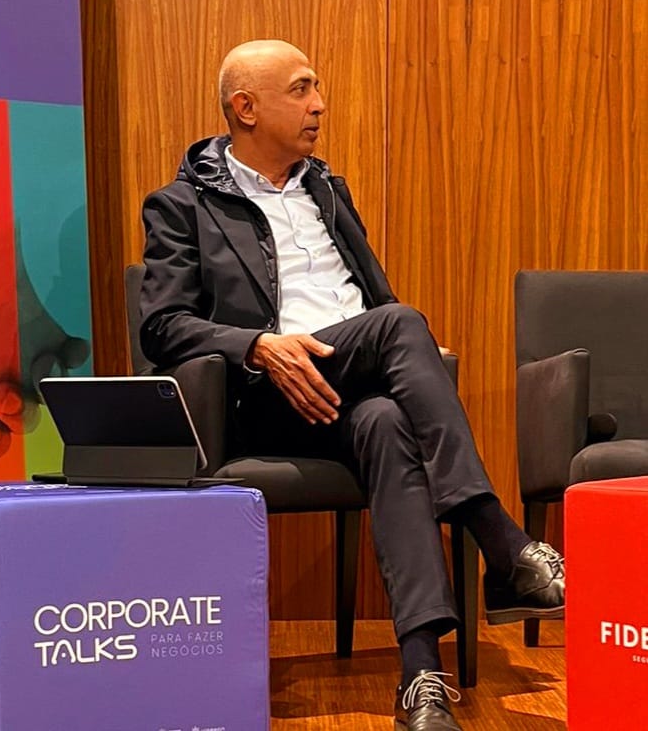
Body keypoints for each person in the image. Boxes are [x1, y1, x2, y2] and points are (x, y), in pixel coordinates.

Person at [138, 40, 564, 731]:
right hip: (263, 395)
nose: (319, 104)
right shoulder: (182, 205)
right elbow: (161, 326)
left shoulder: (327, 193)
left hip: (351, 382)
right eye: (301, 88)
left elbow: (373, 296)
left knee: (387, 421)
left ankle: (421, 677)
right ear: (245, 108)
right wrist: (258, 346)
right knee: (400, 324)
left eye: (316, 88)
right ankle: (498, 538)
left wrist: (412, 356)